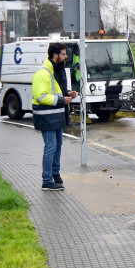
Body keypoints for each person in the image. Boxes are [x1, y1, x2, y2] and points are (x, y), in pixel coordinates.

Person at [32, 43, 77, 191]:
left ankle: (55, 174)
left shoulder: (58, 70)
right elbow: (40, 96)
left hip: (57, 115)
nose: (66, 57)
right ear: (55, 55)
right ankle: (46, 180)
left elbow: (57, 90)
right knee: (50, 147)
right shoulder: (42, 73)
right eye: (63, 54)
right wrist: (61, 100)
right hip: (47, 116)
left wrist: (68, 93)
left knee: (58, 145)